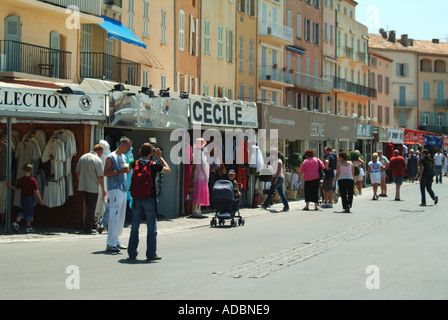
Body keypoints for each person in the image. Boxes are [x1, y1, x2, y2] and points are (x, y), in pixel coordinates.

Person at [127, 143, 170, 261]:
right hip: (149, 198)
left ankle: (132, 253)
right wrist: (160, 157)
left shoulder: (134, 163)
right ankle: (151, 254)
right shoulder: (153, 164)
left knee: (134, 227)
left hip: (136, 198)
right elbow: (167, 170)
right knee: (151, 227)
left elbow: (126, 170)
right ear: (152, 153)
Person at [103, 137, 132, 252]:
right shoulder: (111, 157)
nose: (129, 148)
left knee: (121, 216)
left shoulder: (124, 157)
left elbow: (126, 170)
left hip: (123, 188)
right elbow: (105, 172)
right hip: (114, 188)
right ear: (122, 144)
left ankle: (116, 240)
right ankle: (110, 243)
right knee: (114, 216)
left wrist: (129, 167)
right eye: (128, 146)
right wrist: (119, 172)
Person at [76, 144, 107, 234]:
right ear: (100, 151)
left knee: (88, 206)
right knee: (91, 208)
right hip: (93, 187)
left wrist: (80, 182)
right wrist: (103, 189)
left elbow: (77, 172)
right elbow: (100, 177)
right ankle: (87, 228)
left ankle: (93, 224)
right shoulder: (97, 160)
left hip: (84, 186)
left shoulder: (83, 157)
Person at [7, 164, 44, 233]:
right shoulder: (32, 180)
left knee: (23, 210)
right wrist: (40, 200)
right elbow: (36, 191)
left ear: (23, 171)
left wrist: (9, 185)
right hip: (30, 199)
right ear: (31, 171)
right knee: (29, 212)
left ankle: (16, 222)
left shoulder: (21, 179)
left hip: (23, 198)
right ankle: (27, 227)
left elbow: (16, 188)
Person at [192, 138, 209, 217]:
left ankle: (197, 209)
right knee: (200, 191)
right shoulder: (200, 153)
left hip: (197, 174)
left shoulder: (195, 153)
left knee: (198, 191)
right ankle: (197, 209)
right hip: (201, 174)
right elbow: (202, 164)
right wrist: (206, 175)